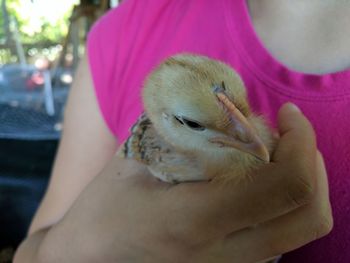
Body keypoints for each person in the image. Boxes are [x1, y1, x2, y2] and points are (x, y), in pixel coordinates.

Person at [15, 0, 350, 262]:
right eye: (193, 123)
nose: (250, 135)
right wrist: (83, 251)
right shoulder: (124, 34)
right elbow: (32, 251)